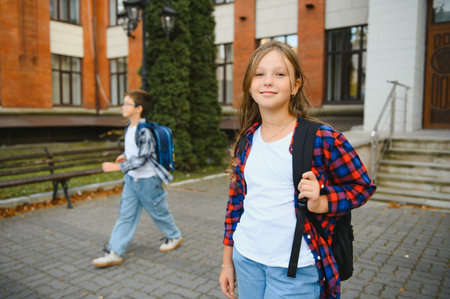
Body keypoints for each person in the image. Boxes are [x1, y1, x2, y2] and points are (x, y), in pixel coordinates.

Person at [218, 41, 376, 299]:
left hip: (296, 270)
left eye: (279, 74)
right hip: (246, 260)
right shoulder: (247, 139)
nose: (268, 81)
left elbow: (362, 187)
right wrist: (227, 262)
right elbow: (236, 203)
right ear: (249, 84)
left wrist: (321, 202)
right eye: (260, 74)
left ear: (295, 85)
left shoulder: (322, 138)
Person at [92, 89, 182, 268]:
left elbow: (143, 158)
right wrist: (124, 155)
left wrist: (116, 167)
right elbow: (135, 152)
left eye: (127, 104)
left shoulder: (145, 131)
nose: (122, 107)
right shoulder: (129, 127)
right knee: (125, 216)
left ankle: (174, 236)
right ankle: (114, 252)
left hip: (148, 181)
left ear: (138, 108)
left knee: (159, 212)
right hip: (131, 181)